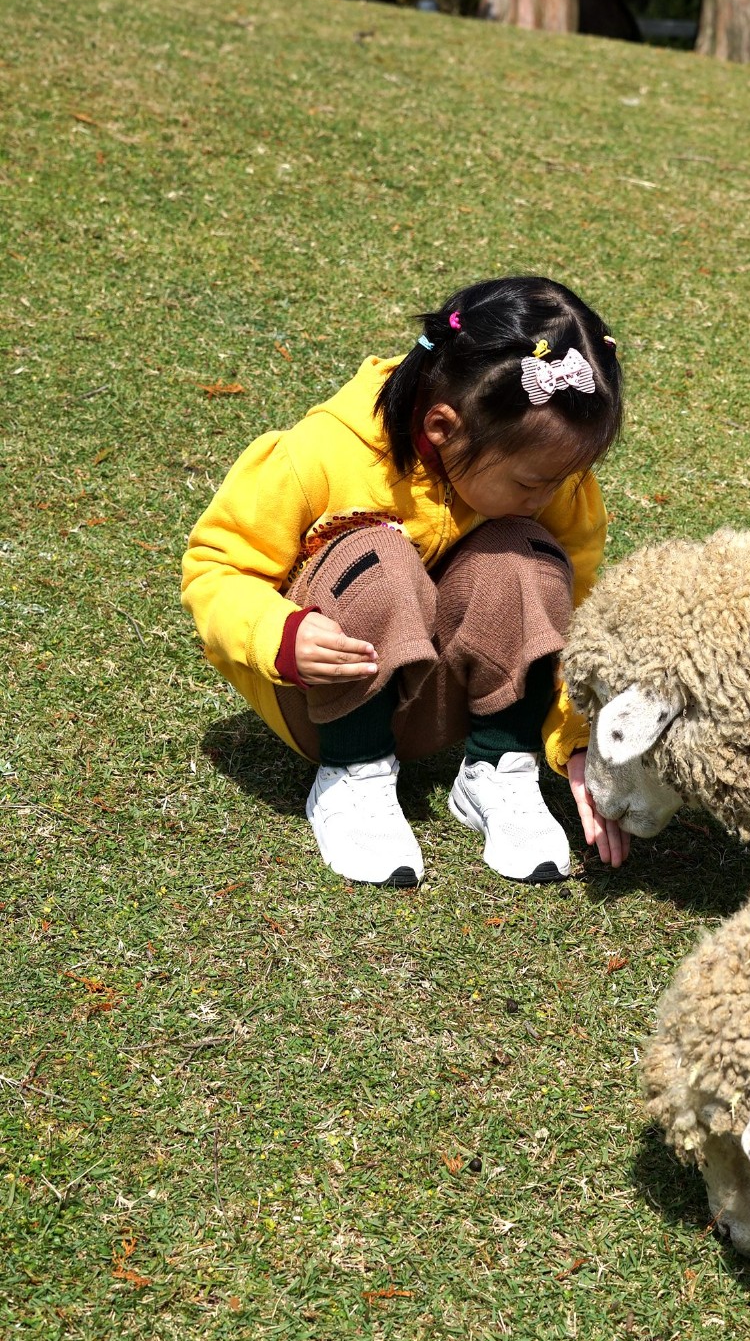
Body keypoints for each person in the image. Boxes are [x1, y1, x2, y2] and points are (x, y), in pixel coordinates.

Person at [181, 276, 629, 889]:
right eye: (532, 482)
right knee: (376, 554)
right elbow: (216, 566)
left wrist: (578, 739)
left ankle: (499, 765)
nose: (553, 495)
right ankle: (353, 775)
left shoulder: (546, 472)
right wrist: (281, 635)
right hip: (322, 694)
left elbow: (574, 614)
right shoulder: (321, 453)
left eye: (569, 476)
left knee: (529, 554)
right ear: (444, 428)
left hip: (446, 696)